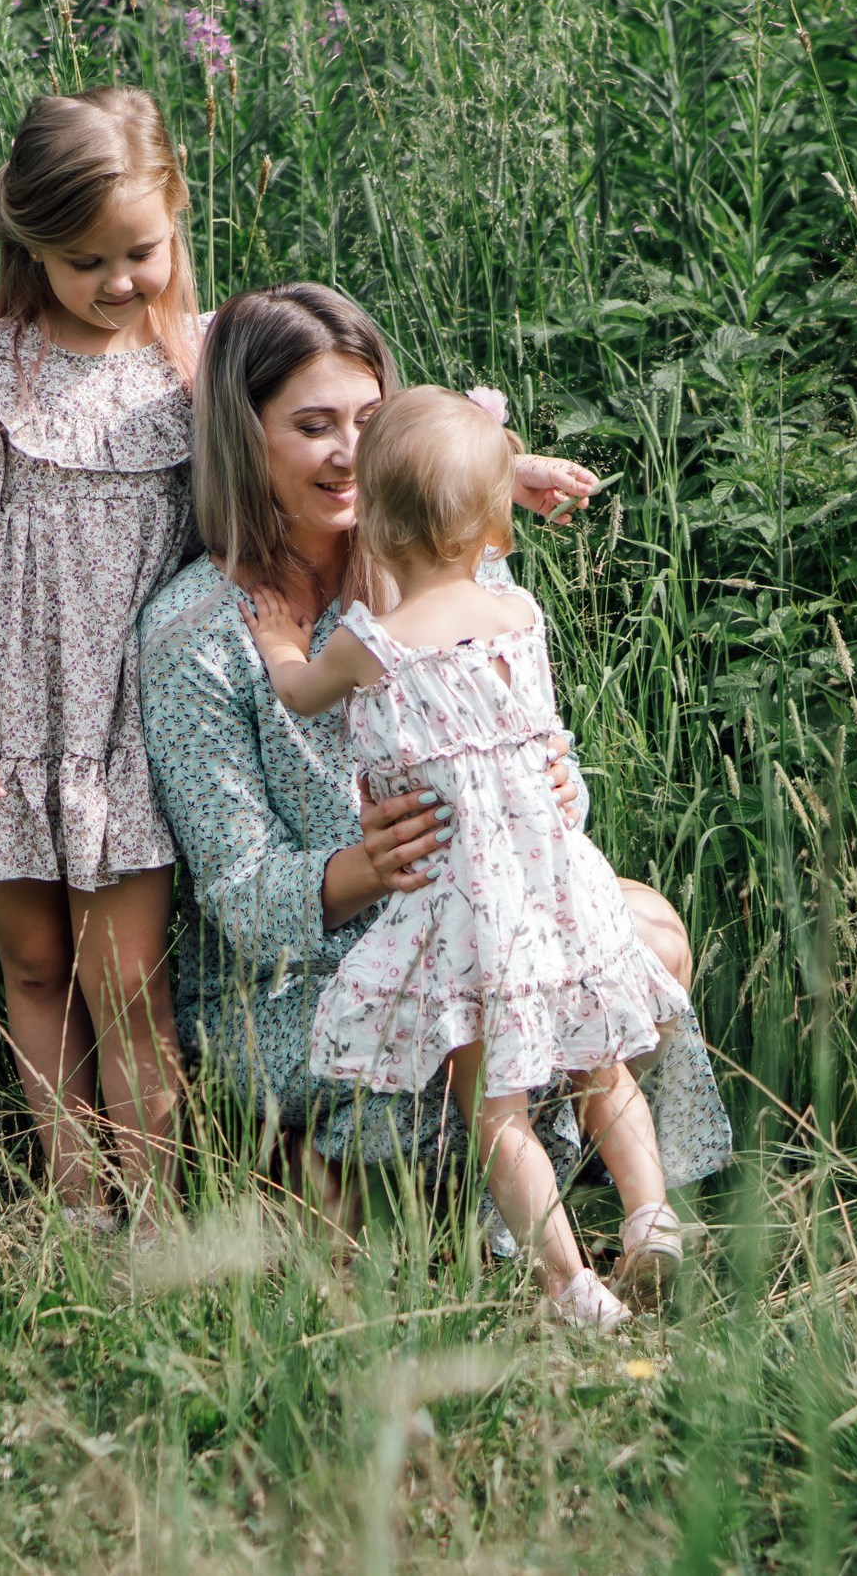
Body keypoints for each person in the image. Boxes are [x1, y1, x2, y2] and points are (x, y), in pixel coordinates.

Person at [137, 283, 732, 1271]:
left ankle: (604, 1222)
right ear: (245, 440)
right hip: (304, 978)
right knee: (466, 1033)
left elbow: (555, 796)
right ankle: (414, 1220)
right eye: (313, 427)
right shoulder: (196, 637)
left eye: (370, 422)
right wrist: (366, 867)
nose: (349, 456)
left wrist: (552, 791)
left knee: (647, 937)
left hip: (478, 922)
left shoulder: (458, 575)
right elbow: (241, 902)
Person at [241, 386, 686, 1330]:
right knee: (604, 1068)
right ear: (490, 524)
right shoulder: (519, 613)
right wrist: (497, 480)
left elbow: (299, 692)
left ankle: (575, 1288)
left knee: (499, 1113)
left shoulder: (373, 645)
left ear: (375, 524)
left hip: (471, 921)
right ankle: (650, 1217)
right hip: (561, 892)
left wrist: (279, 639)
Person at [0, 87, 200, 1238]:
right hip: (8, 719)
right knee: (32, 965)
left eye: (139, 252)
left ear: (174, 218)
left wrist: (489, 466)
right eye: (84, 262)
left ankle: (156, 1219)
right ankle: (77, 1212)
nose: (119, 281)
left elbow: (347, 439)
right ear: (30, 247)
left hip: (131, 727)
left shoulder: (198, 361)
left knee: (128, 987)